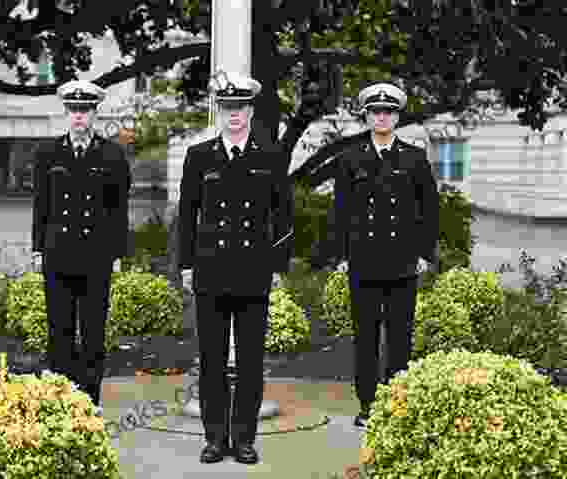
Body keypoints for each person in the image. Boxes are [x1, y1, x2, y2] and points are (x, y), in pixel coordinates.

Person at [178, 71, 294, 464]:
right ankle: (214, 438)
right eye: (227, 107)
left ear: (249, 110)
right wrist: (185, 265)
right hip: (210, 270)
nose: (233, 115)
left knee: (249, 361)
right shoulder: (199, 157)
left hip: (253, 271)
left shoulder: (269, 156)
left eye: (240, 107)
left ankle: (244, 438)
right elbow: (186, 215)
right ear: (219, 110)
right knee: (211, 360)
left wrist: (278, 264)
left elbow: (284, 215)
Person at [311, 82, 439, 429]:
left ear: (396, 117)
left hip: (402, 261)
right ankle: (368, 405)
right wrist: (341, 254)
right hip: (363, 261)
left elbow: (429, 210)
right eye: (375, 112)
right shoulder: (350, 159)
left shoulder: (414, 158)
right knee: (365, 337)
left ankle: (396, 403)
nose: (381, 117)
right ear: (366, 117)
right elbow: (340, 211)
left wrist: (426, 254)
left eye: (388, 112)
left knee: (400, 338)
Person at [31, 80, 132, 416]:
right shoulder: (48, 153)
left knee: (92, 333)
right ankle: (62, 400)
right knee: (59, 331)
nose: (79, 117)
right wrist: (37, 249)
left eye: (85, 111)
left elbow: (119, 209)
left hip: (96, 256)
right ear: (67, 113)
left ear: (94, 114)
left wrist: (118, 254)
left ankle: (89, 402)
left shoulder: (112, 154)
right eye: (73, 111)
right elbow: (41, 205)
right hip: (58, 255)